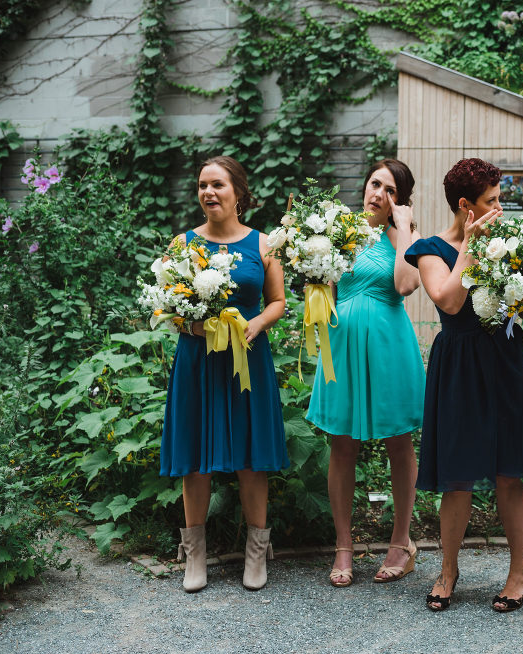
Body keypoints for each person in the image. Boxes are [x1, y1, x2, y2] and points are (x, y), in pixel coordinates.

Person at [404, 158, 523, 613]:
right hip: (461, 366)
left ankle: (518, 570)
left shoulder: (512, 243)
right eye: (491, 202)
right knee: (457, 475)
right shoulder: (430, 248)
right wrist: (470, 244)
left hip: (507, 361)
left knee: (511, 471)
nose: (500, 210)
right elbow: (448, 301)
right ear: (466, 207)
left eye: (500, 200)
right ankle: (447, 569)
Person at [160, 156, 290, 592]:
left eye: (217, 184)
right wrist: (193, 324)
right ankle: (194, 554)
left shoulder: (263, 243)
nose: (208, 192)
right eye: (201, 185)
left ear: (238, 191)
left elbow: (277, 301)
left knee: (252, 458)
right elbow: (168, 307)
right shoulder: (182, 245)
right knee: (194, 460)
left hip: (247, 360)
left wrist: (256, 324)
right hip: (199, 361)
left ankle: (257, 552)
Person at [306, 159, 426, 587]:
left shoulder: (403, 238)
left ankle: (401, 542)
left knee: (398, 443)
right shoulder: (340, 233)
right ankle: (343, 546)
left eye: (391, 190)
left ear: (401, 200)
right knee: (342, 445)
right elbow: (323, 284)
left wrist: (405, 227)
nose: (378, 194)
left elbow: (406, 285)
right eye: (375, 184)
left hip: (389, 349)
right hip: (342, 349)